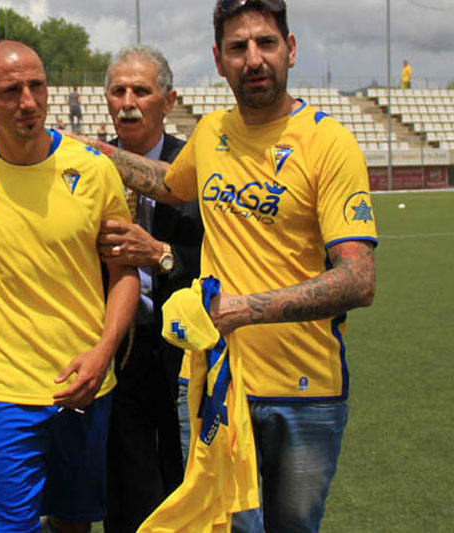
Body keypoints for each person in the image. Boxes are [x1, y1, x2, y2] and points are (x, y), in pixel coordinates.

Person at [84, 1, 378, 532]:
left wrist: (243, 309)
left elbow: (358, 279)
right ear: (219, 61)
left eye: (266, 43)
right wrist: (94, 151)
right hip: (217, 384)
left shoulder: (328, 142)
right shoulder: (214, 131)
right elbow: (169, 183)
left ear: (290, 49)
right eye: (238, 48)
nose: (254, 59)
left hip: (304, 392)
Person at [0, 40, 139, 533]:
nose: (27, 101)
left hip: (85, 379)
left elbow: (123, 274)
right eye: (10, 91)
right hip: (1, 388)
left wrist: (104, 351)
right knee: (11, 526)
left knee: (74, 521)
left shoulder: (93, 170)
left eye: (36, 86)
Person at [99, 45, 203, 533]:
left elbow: (223, 262)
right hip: (118, 347)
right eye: (117, 90)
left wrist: (161, 256)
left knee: (188, 477)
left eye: (141, 90)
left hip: (187, 350)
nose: (127, 101)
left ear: (169, 100)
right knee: (126, 483)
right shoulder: (86, 168)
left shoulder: (200, 169)